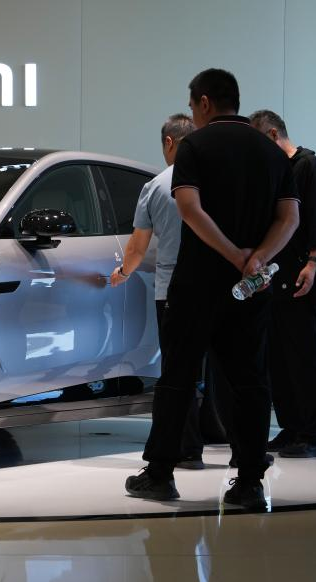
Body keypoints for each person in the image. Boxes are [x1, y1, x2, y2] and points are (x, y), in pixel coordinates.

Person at [124, 68, 299, 510]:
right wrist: (256, 258)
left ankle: (160, 474)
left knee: (178, 377)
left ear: (204, 103)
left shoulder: (195, 146)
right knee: (249, 381)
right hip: (250, 287)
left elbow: (189, 208)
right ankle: (250, 481)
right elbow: (290, 218)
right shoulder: (271, 151)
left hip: (197, 283)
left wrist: (232, 253)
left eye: (193, 105)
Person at [110, 113, 206, 469]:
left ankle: (185, 448)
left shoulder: (157, 186)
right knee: (222, 369)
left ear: (169, 142)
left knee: (178, 370)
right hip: (217, 287)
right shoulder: (214, 180)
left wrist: (123, 272)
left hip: (173, 291)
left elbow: (137, 247)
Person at [247, 111, 316, 458]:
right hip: (275, 276)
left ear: (272, 135)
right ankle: (293, 427)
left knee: (308, 354)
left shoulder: (309, 166)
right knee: (280, 356)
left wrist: (313, 262)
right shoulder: (276, 170)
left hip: (301, 273)